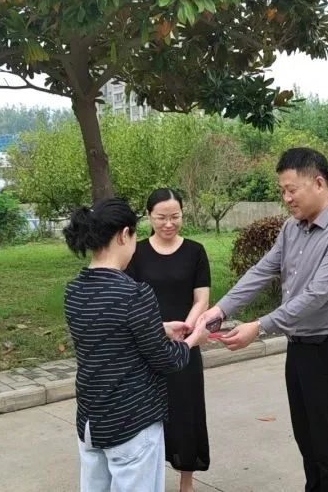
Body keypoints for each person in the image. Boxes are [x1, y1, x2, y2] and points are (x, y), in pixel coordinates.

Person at [197, 148, 328, 492]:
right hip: (298, 347)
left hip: (327, 349)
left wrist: (259, 327)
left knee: (327, 441)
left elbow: (314, 297)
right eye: (282, 191)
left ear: (319, 183)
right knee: (306, 437)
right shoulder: (292, 228)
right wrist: (220, 310)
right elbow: (263, 270)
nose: (286, 198)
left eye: (292, 190)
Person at [63, 198, 209, 492]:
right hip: (132, 421)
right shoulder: (135, 294)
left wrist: (159, 329)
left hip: (91, 419)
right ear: (124, 235)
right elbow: (166, 360)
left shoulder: (74, 291)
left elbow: (109, 334)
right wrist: (194, 338)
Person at [126, 188, 211, 492]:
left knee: (187, 410)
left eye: (175, 216)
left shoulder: (195, 251)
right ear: (149, 216)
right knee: (147, 414)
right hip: (147, 343)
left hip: (185, 343)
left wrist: (186, 330)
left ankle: (186, 481)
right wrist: (157, 330)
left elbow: (201, 298)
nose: (168, 223)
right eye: (161, 217)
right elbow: (130, 302)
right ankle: (149, 479)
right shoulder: (135, 253)